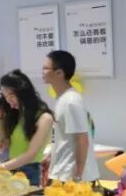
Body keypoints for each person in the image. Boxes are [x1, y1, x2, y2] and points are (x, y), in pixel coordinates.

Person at [42, 50, 100, 183]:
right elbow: (64, 138)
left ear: (59, 73)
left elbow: (82, 140)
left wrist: (78, 175)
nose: (42, 72)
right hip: (62, 172)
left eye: (46, 68)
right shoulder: (63, 99)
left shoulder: (71, 101)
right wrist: (51, 156)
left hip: (71, 177)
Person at [0, 70, 54, 186]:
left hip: (31, 171)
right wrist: (7, 142)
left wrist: (2, 167)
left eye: (11, 96)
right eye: (5, 97)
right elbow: (21, 142)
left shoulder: (44, 117)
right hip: (13, 168)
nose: (8, 101)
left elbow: (31, 154)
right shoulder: (19, 115)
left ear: (23, 92)